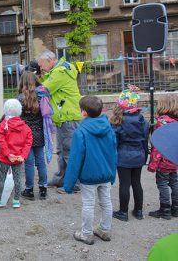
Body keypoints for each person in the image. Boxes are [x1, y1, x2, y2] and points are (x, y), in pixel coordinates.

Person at [63, 96, 117, 245]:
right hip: (105, 174)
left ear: (84, 112)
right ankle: (105, 230)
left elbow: (75, 159)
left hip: (88, 176)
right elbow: (113, 153)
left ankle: (86, 234)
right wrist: (112, 174)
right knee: (106, 202)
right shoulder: (109, 129)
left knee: (88, 204)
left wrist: (68, 184)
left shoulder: (80, 132)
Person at [37, 49, 81, 190]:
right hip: (64, 117)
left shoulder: (60, 72)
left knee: (69, 151)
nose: (41, 68)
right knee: (62, 151)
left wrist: (31, 82)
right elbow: (47, 82)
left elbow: (44, 89)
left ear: (50, 61)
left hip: (68, 117)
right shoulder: (56, 71)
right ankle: (61, 179)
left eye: (41, 65)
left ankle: (73, 183)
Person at [109, 86, 149, 222]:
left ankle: (123, 212)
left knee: (124, 184)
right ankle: (138, 211)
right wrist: (144, 157)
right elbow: (145, 141)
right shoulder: (142, 121)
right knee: (137, 183)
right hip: (139, 155)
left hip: (123, 156)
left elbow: (114, 143)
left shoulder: (117, 122)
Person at [0, 99, 33, 209]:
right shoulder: (25, 128)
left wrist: (8, 154)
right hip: (18, 158)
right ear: (19, 111)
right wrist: (23, 156)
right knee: (18, 179)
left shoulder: (3, 125)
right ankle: (16, 200)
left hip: (4, 158)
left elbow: (1, 140)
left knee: (1, 178)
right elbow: (28, 142)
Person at [17, 71, 52, 201]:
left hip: (25, 134)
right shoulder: (42, 95)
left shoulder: (20, 98)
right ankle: (43, 189)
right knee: (41, 161)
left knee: (29, 163)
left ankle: (29, 189)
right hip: (40, 132)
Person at [147, 94, 178, 220]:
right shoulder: (176, 122)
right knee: (174, 183)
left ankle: (165, 209)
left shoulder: (161, 123)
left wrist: (152, 164)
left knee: (163, 184)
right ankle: (176, 209)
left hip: (163, 162)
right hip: (174, 160)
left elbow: (158, 147)